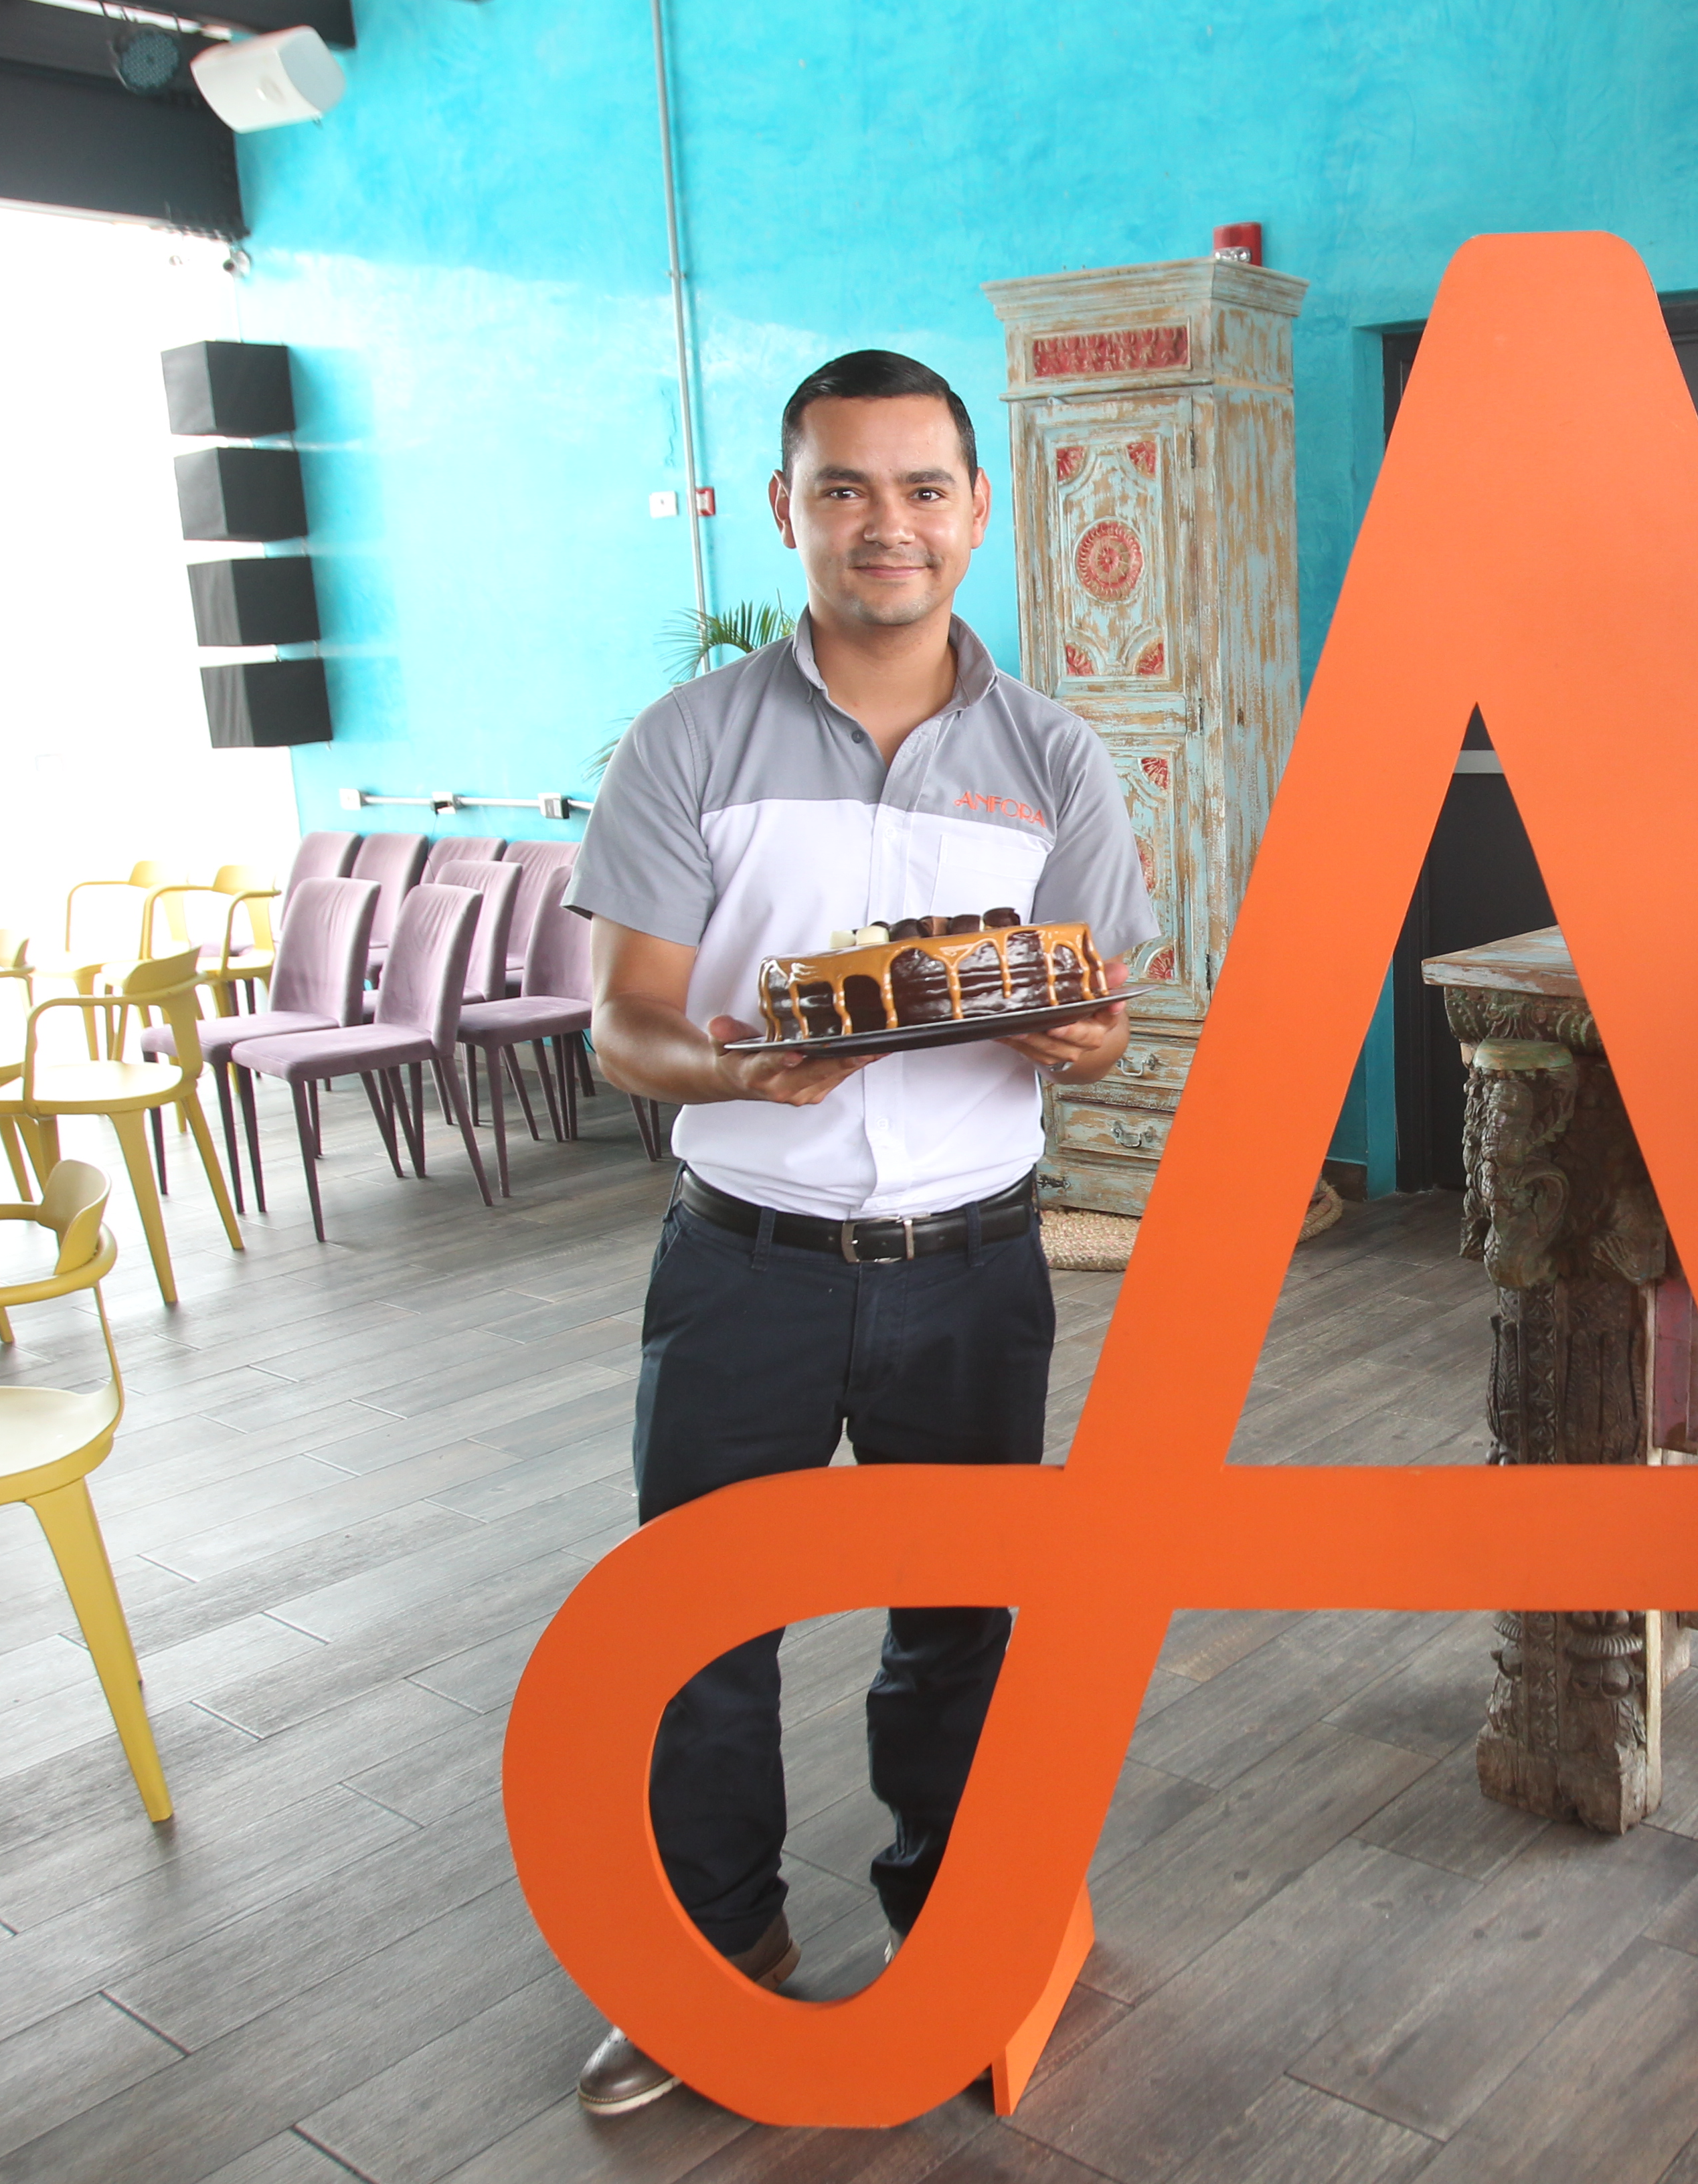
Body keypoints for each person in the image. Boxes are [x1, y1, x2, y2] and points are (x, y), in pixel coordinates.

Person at [562, 348, 1156, 2115]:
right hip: (743, 1256)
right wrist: (734, 1068)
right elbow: (626, 1027)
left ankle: (949, 1942)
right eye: (844, 488)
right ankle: (711, 1959)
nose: (884, 524)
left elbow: (1106, 1013)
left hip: (975, 1269)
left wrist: (1081, 1029)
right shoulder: (693, 741)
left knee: (959, 1623)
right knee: (694, 1627)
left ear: (976, 514)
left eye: (920, 490)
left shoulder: (1057, 756)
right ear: (788, 510)